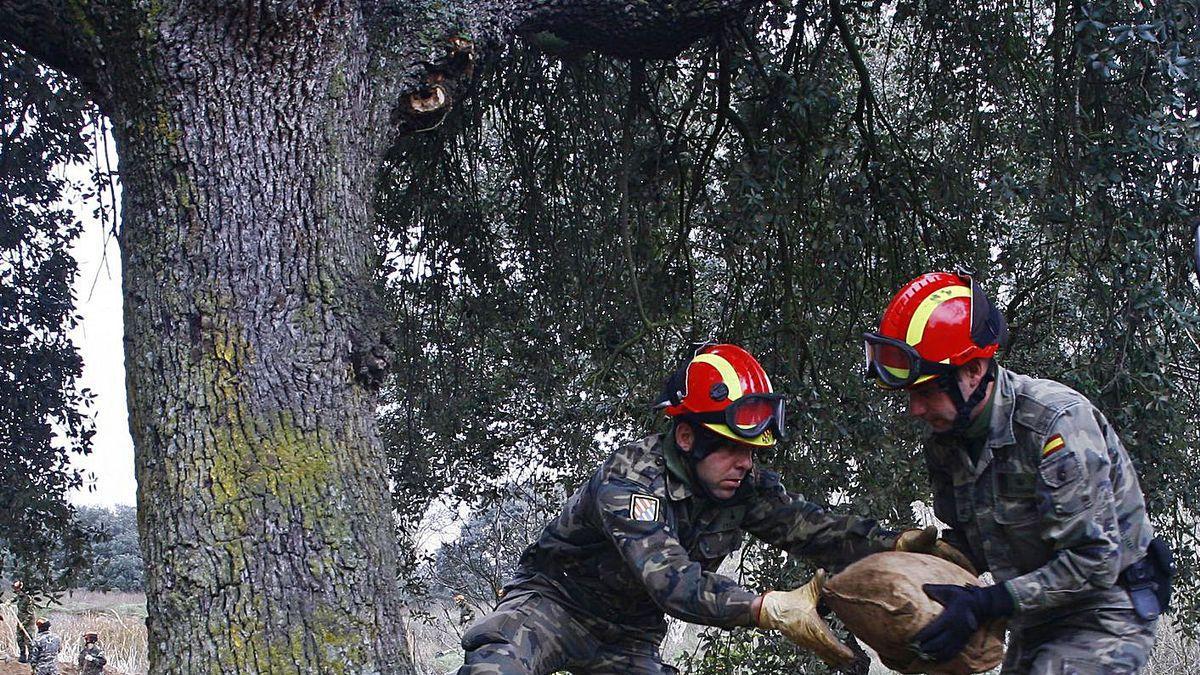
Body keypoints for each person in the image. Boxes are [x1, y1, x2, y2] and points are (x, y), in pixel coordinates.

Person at [459, 343, 960, 674]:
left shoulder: (744, 485)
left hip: (629, 637)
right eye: (731, 448)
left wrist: (895, 544)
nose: (745, 463)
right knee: (495, 665)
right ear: (686, 436)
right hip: (553, 607)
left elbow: (813, 529)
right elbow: (671, 582)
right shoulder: (630, 476)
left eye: (753, 451)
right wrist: (769, 608)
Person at [863, 270, 1174, 673]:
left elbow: (1094, 561)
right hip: (1035, 614)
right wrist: (907, 581)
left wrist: (988, 603)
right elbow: (971, 544)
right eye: (910, 395)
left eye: (926, 391)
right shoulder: (947, 443)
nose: (916, 410)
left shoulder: (1056, 425)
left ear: (974, 370)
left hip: (1105, 610)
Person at [11, 580, 34, 664]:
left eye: (16, 588)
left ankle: (31, 657)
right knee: (19, 638)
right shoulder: (19, 596)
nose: (15, 590)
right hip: (20, 620)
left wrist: (23, 624)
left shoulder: (28, 598)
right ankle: (22, 655)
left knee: (28, 640)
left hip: (28, 623)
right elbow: (16, 598)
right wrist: (10, 601)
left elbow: (30, 614)